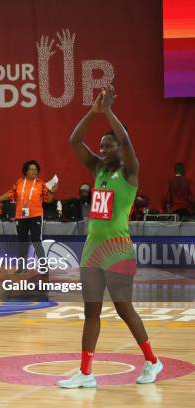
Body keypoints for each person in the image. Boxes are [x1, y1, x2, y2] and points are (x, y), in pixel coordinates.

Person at [58, 85, 162, 388]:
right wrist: (93, 113)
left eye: (108, 146)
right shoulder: (99, 170)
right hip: (93, 248)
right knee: (91, 310)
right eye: (101, 147)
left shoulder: (130, 171)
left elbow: (127, 141)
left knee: (123, 307)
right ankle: (86, 374)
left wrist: (110, 112)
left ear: (121, 148)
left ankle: (153, 362)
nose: (102, 151)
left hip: (117, 248)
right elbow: (74, 141)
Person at [0, 160, 56, 273]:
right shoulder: (19, 183)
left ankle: (43, 267)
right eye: (32, 169)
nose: (35, 171)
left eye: (36, 169)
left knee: (36, 241)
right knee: (22, 241)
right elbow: (10, 194)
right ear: (26, 171)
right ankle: (22, 267)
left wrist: (52, 191)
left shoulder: (41, 184)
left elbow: (48, 200)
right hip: (21, 216)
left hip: (36, 216)